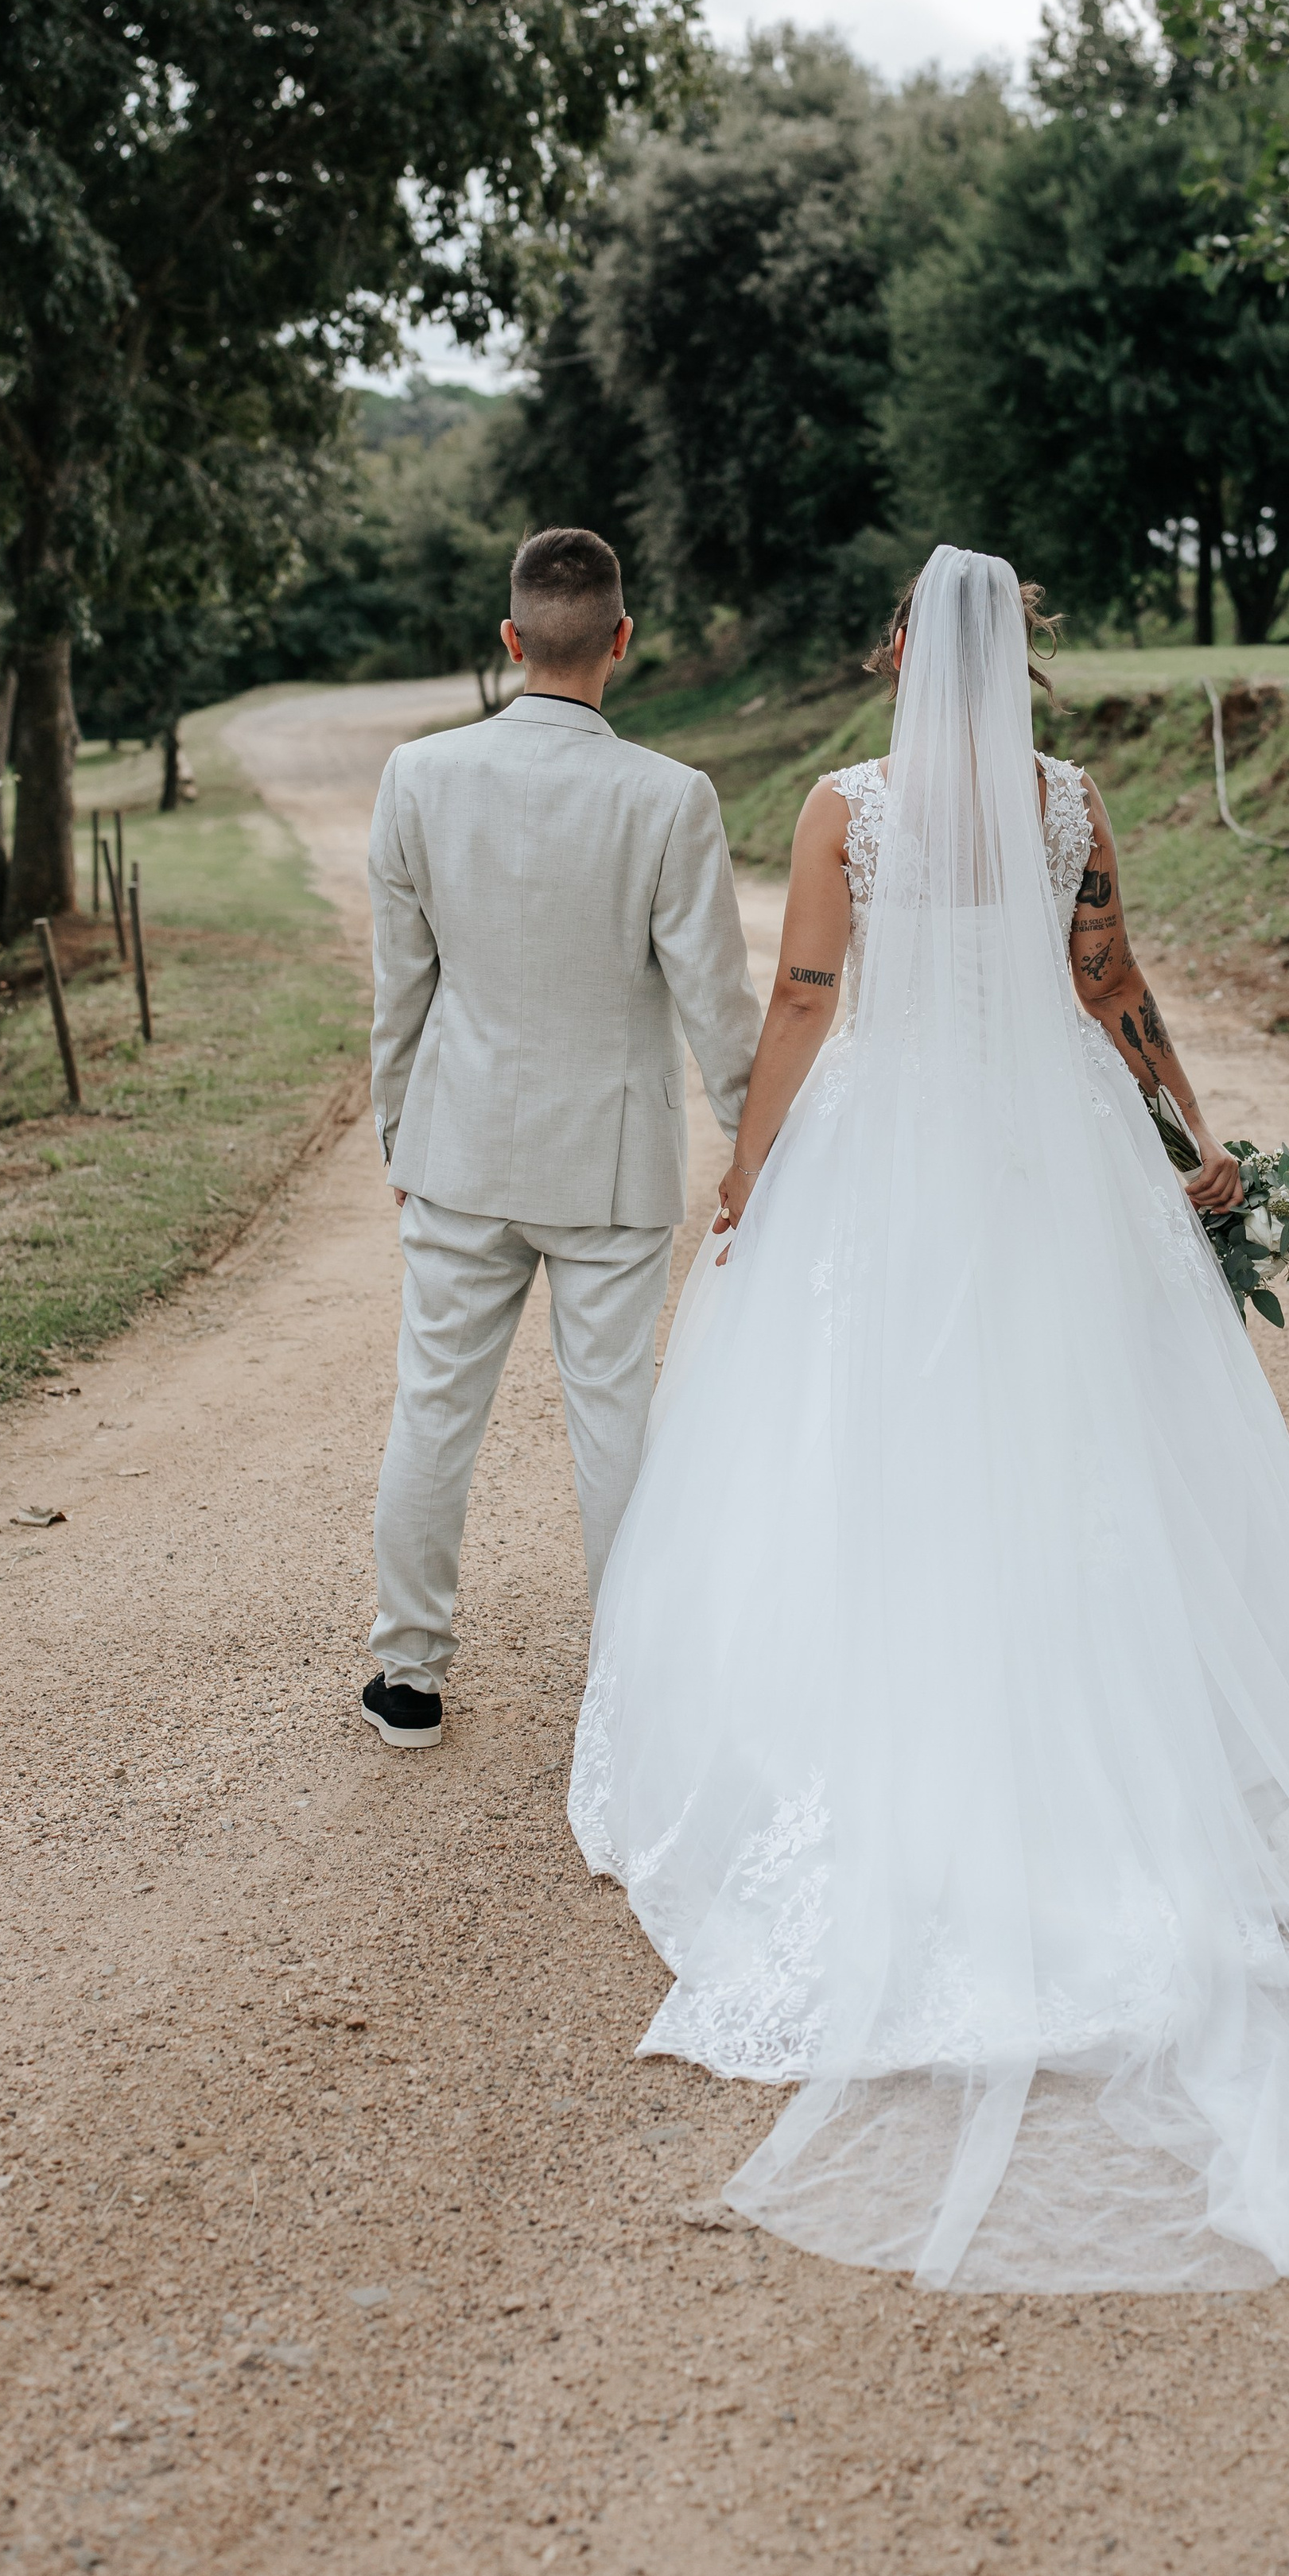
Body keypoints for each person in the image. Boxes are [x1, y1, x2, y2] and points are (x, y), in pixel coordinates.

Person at [569, 546, 1289, 2292]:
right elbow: (1108, 984)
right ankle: (1084, 1709)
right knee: (1076, 1433)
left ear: (901, 653)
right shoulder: (1067, 795)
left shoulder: (848, 810)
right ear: (1024, 659)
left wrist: (749, 1163)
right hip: (1050, 1149)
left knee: (880, 1439)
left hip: (893, 1153)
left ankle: (902, 1712)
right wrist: (1190, 1136)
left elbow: (801, 999)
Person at [361, 526, 760, 1751]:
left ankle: (410, 1676)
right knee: (616, 1416)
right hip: (610, 1165)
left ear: (511, 639)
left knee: (434, 1407)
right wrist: (759, 1143)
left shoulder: (418, 778)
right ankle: (633, 1682)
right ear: (624, 642)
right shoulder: (669, 796)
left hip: (462, 1149)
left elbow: (401, 989)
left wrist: (398, 1131)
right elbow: (716, 1002)